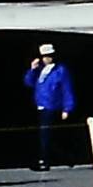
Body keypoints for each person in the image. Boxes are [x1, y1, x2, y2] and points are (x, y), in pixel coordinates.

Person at [23, 42, 76, 171]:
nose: (46, 59)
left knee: (46, 134)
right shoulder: (40, 70)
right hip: (39, 105)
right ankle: (54, 157)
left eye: (49, 56)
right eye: (44, 56)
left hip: (51, 105)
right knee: (43, 135)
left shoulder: (60, 70)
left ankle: (45, 160)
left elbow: (66, 89)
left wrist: (67, 108)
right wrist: (32, 70)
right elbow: (29, 83)